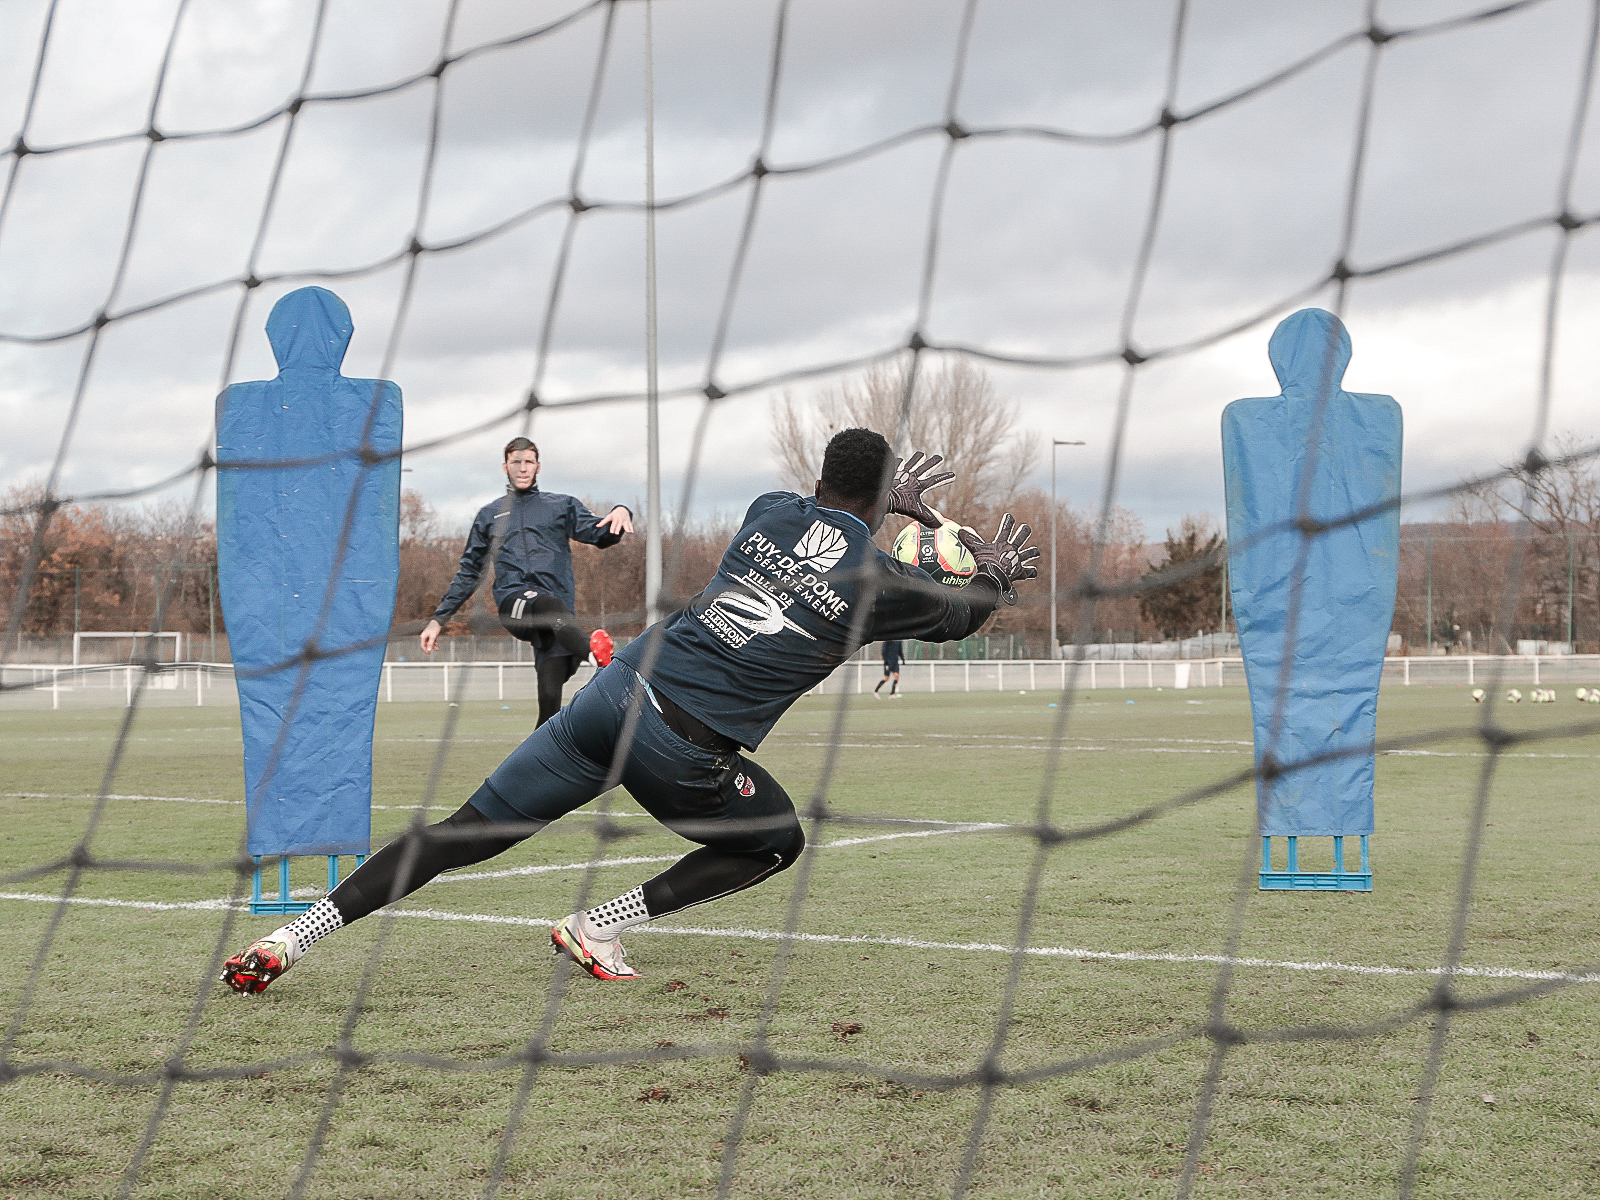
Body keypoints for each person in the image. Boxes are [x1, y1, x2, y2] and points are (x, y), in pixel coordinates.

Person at [221, 431, 1037, 993]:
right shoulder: (883, 584)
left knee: (457, 834)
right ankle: (600, 925)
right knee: (777, 840)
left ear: (822, 477)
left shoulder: (768, 509)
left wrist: (887, 503)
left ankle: (291, 937)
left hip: (607, 703)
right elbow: (964, 612)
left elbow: (821, 520)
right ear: (883, 498)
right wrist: (993, 570)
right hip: (680, 753)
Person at [419, 437, 633, 727]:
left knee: (549, 705)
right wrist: (438, 620)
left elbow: (599, 535)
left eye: (528, 462)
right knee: (548, 604)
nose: (522, 468)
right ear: (505, 467)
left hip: (559, 623)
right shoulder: (489, 515)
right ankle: (600, 659)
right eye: (516, 462)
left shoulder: (561, 505)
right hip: (515, 604)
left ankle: (541, 755)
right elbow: (469, 571)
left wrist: (621, 511)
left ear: (538, 466)